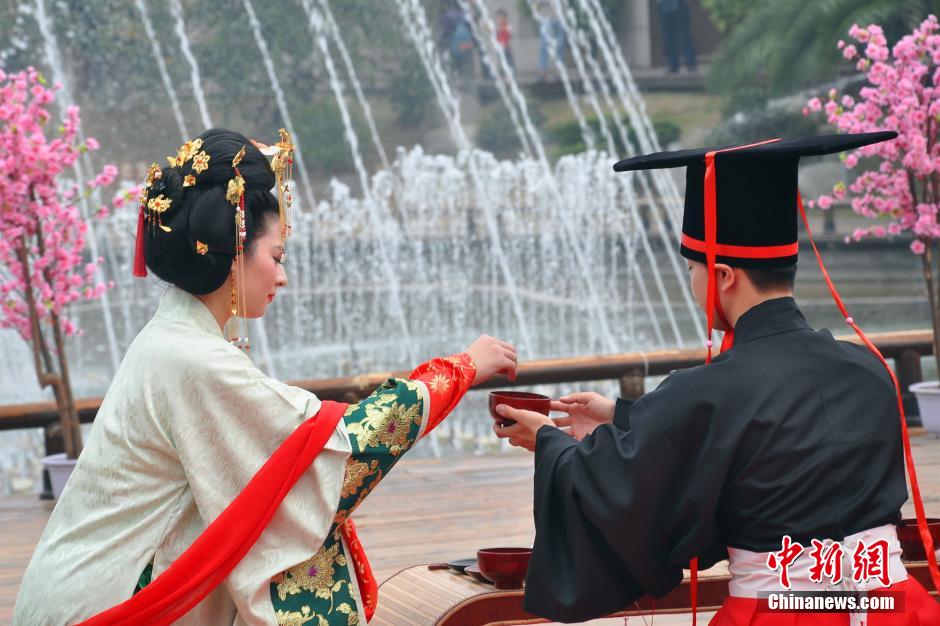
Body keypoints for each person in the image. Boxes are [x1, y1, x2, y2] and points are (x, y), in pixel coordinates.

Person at [14, 128, 518, 625]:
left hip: (79, 586)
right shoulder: (194, 359)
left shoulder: (172, 338)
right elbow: (336, 450)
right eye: (276, 257)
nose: (282, 276)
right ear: (233, 250)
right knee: (297, 502)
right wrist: (462, 368)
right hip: (109, 601)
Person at [495, 132, 940, 625]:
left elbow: (646, 485)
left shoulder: (706, 392)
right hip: (893, 608)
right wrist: (623, 419)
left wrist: (551, 447)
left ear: (723, 276)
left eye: (693, 268)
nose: (691, 283)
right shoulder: (869, 371)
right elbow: (770, 437)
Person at [657, 0, 697, 73]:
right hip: (663, 5)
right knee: (668, 38)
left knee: (684, 36)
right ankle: (673, 65)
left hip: (679, 3)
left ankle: (691, 64)